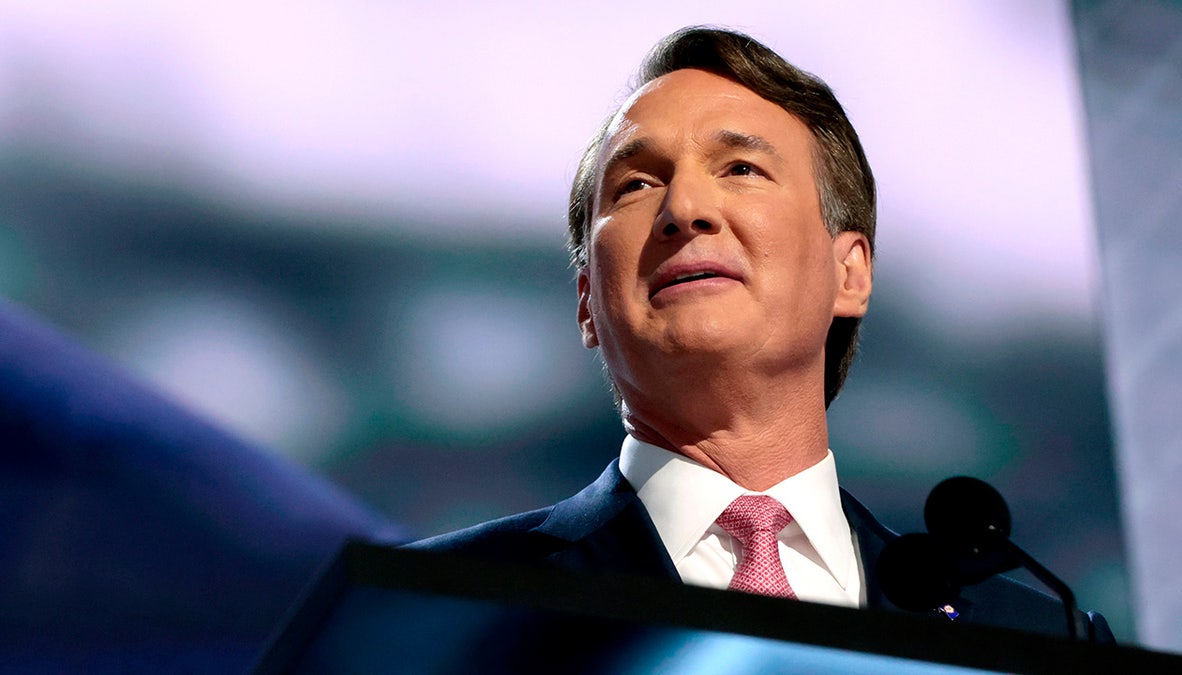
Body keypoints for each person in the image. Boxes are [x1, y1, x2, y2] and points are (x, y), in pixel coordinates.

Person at [409, 26, 1111, 640]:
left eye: (740, 168)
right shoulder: (433, 609)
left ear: (850, 273)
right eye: (635, 185)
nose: (685, 208)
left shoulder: (1044, 635)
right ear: (588, 300)